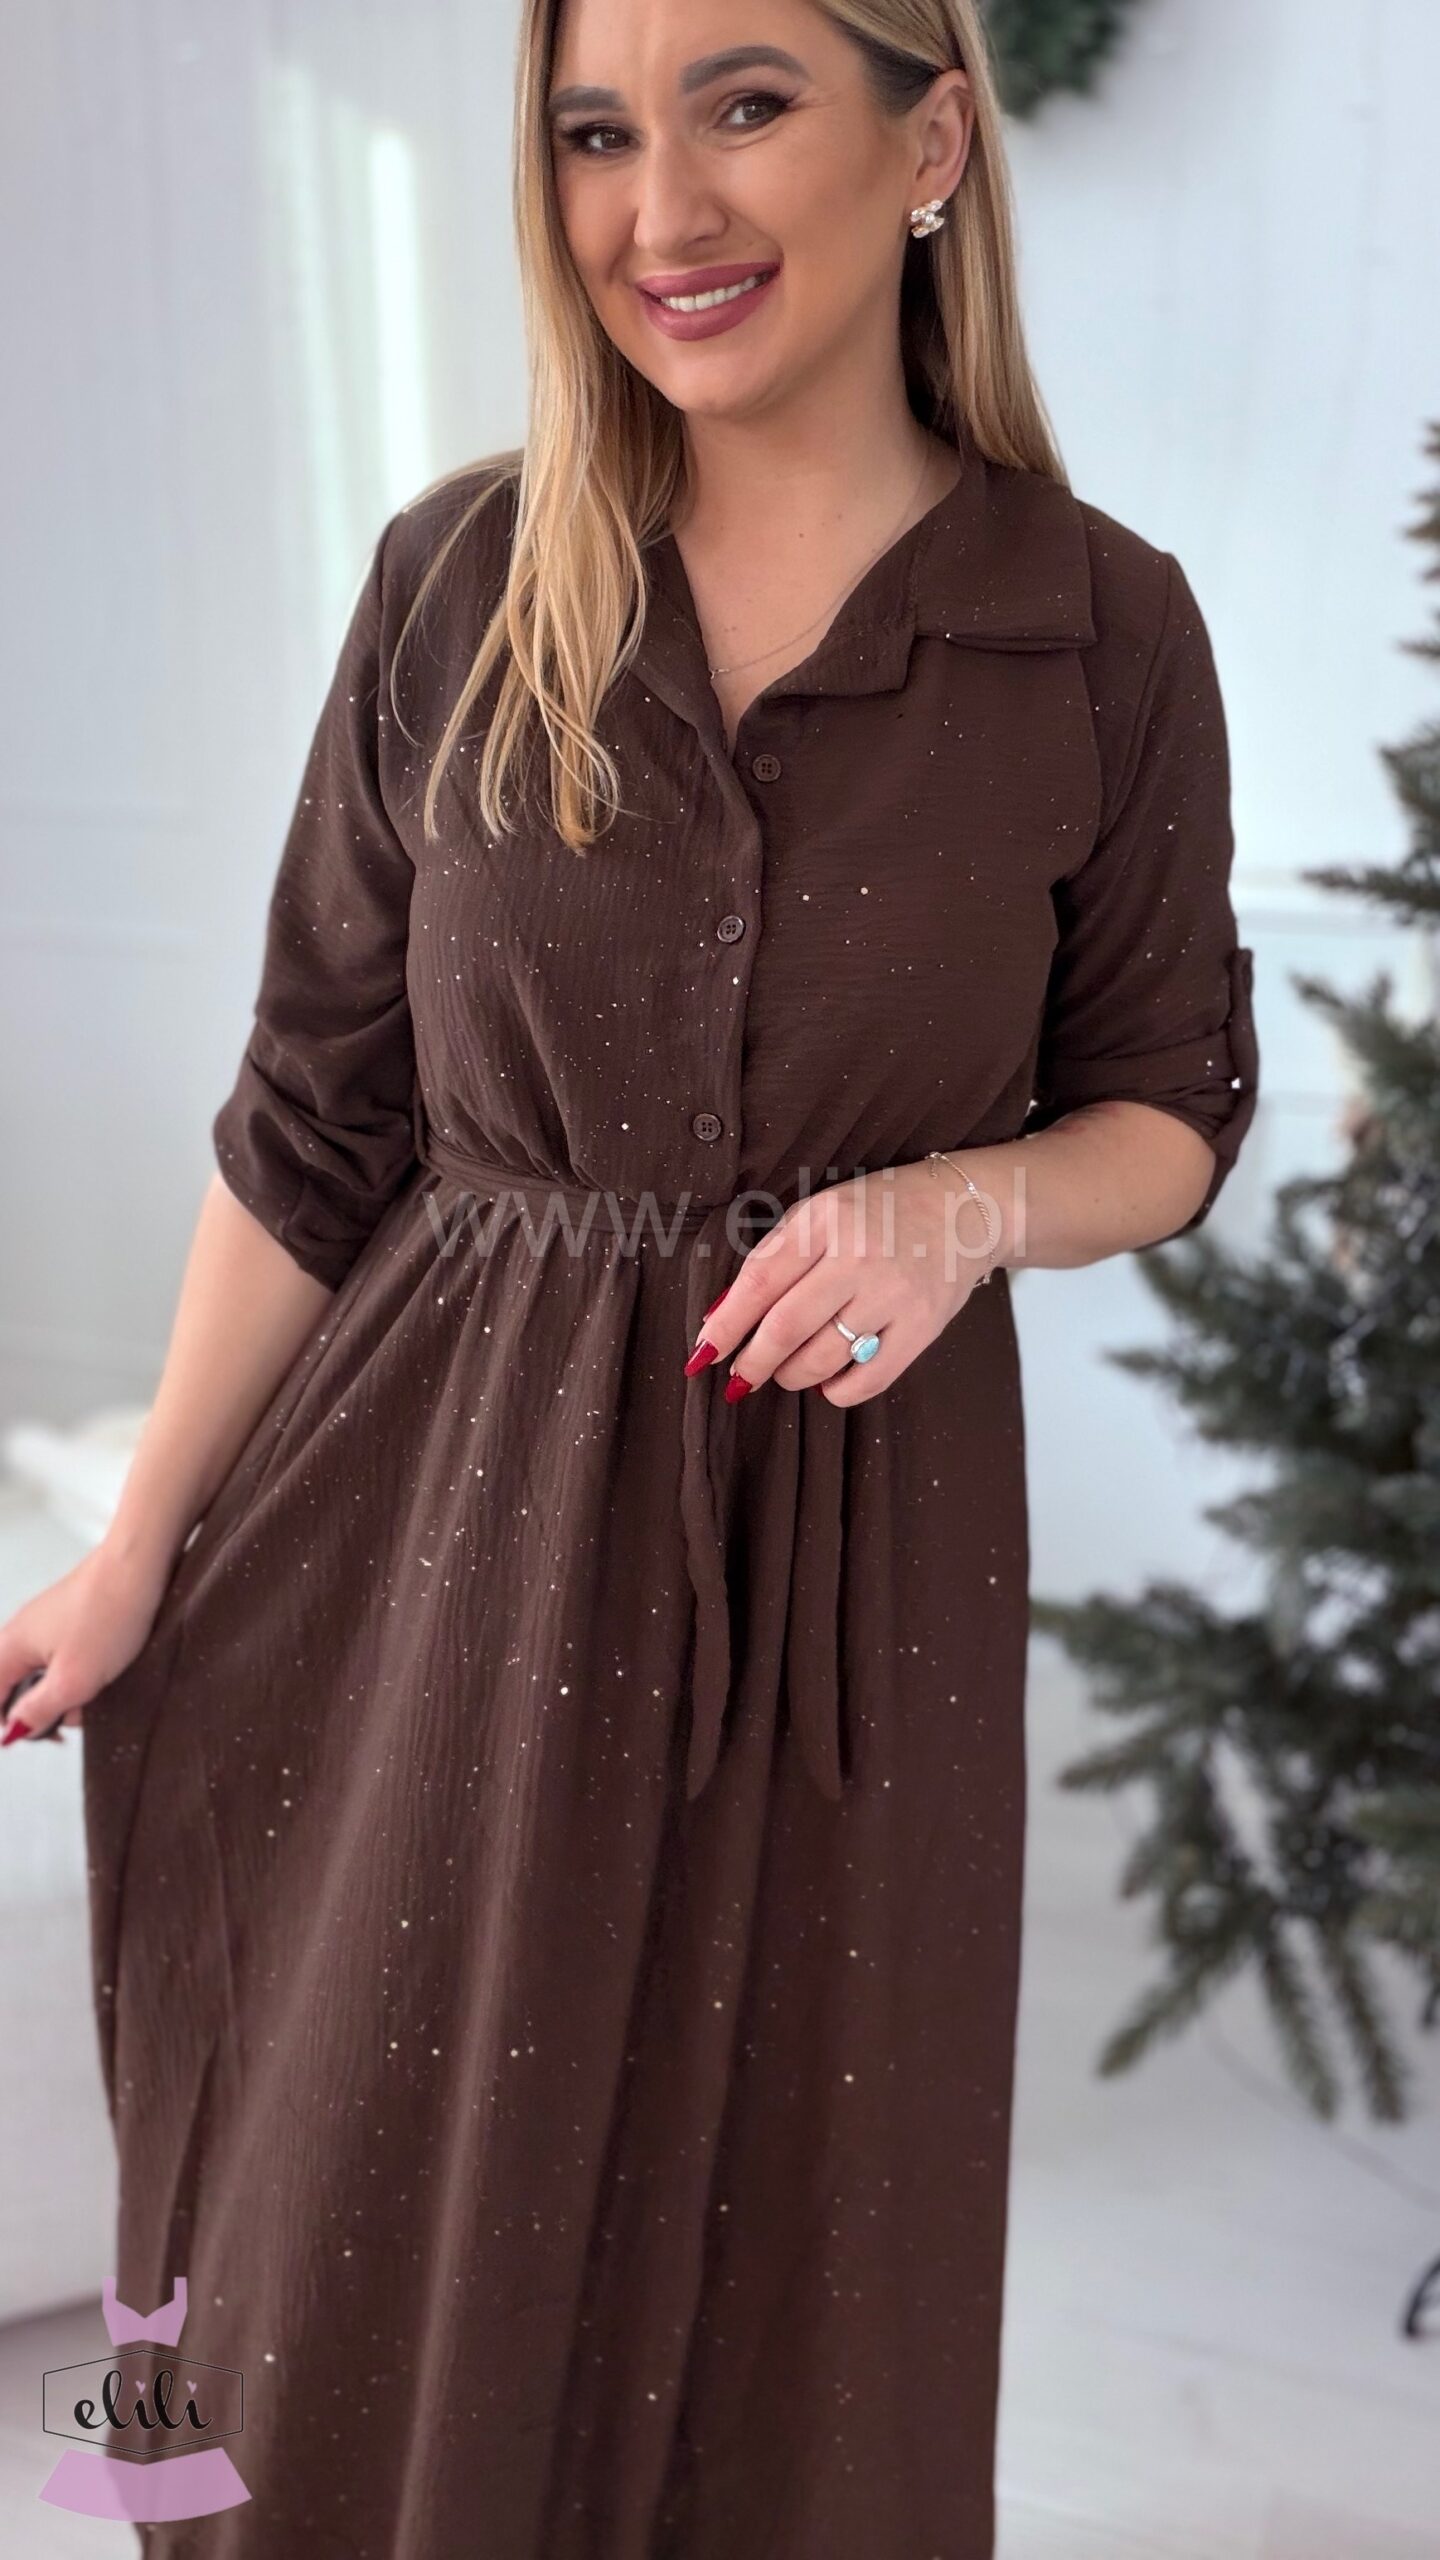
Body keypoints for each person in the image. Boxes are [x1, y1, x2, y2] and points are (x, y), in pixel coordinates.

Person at [0, 0, 1259, 2551]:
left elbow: (1172, 1104)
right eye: (595, 132)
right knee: (350, 2260)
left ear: (931, 133)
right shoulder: (458, 582)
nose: (658, 209)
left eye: (744, 104)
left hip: (853, 1593)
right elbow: (312, 1122)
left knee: (796, 2272)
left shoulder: (1101, 630)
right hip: (431, 1542)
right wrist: (137, 1548)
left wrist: (958, 1202)